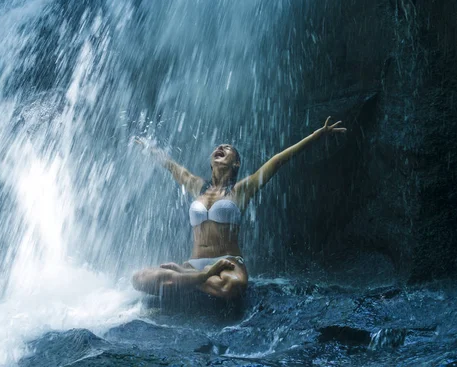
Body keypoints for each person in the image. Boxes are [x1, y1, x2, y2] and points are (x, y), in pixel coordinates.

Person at [132, 117, 347, 300]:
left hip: (228, 264)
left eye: (227, 149)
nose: (220, 148)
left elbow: (278, 161)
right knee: (139, 278)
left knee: (233, 286)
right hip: (194, 264)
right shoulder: (198, 186)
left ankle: (185, 279)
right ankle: (200, 277)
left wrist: (317, 135)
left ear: (236, 164)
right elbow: (172, 166)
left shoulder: (242, 190)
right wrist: (151, 150)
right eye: (218, 148)